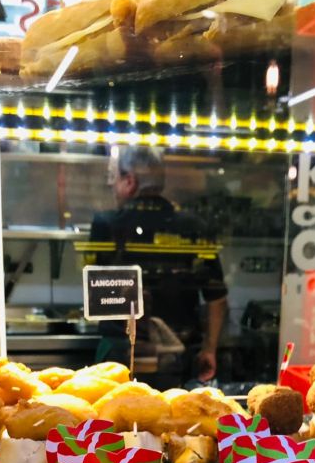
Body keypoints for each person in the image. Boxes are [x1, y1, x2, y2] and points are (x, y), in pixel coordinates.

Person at [84, 146, 229, 388]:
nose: (111, 186)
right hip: (176, 357)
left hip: (120, 357)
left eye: (113, 179)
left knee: (117, 418)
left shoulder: (106, 225)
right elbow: (217, 299)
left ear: (129, 181)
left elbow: (98, 294)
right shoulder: (195, 226)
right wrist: (209, 349)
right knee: (175, 419)